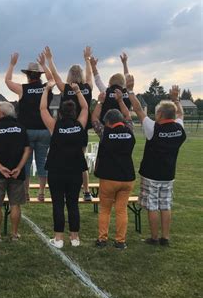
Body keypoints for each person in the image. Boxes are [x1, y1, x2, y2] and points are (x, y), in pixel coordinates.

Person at [128, 82, 186, 246]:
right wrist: (176, 100)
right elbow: (181, 114)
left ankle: (154, 238)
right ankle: (165, 238)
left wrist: (131, 89)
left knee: (152, 206)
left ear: (160, 114)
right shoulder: (179, 128)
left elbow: (138, 109)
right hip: (169, 174)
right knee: (165, 206)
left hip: (151, 174)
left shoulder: (153, 128)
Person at [40, 81, 88, 248]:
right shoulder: (80, 125)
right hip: (75, 170)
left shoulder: (55, 126)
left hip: (57, 170)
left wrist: (46, 90)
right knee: (73, 203)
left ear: (60, 113)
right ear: (74, 112)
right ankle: (75, 238)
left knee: (58, 203)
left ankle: (58, 239)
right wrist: (77, 91)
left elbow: (43, 109)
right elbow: (86, 108)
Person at [44, 46, 94, 201]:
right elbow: (90, 75)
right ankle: (86, 192)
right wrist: (87, 60)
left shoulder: (65, 88)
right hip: (80, 129)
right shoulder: (87, 87)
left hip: (64, 130)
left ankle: (64, 187)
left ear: (70, 75)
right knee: (80, 160)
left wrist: (50, 60)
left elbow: (55, 76)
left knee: (62, 160)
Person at [5, 52, 53, 202]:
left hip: (26, 131)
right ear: (40, 76)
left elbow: (7, 81)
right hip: (44, 130)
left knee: (25, 163)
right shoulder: (47, 87)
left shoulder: (23, 89)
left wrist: (12, 64)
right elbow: (52, 79)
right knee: (42, 162)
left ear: (28, 76)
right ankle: (41, 193)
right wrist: (45, 64)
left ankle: (25, 193)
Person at [92, 88, 135, 249]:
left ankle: (102, 239)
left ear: (108, 122)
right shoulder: (129, 130)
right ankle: (120, 241)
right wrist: (120, 100)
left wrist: (100, 102)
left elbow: (94, 118)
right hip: (127, 177)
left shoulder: (105, 132)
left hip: (109, 177)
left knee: (105, 210)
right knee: (121, 210)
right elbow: (128, 116)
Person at [0, 102, 31, 241]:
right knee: (15, 204)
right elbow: (27, 150)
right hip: (17, 173)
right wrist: (19, 167)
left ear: (3, 114)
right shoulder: (21, 128)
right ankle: (15, 234)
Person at [89, 53, 132, 123]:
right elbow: (128, 78)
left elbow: (97, 80)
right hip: (123, 126)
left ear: (110, 83)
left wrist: (93, 66)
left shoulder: (106, 92)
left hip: (107, 127)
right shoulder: (126, 92)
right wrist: (125, 63)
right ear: (123, 84)